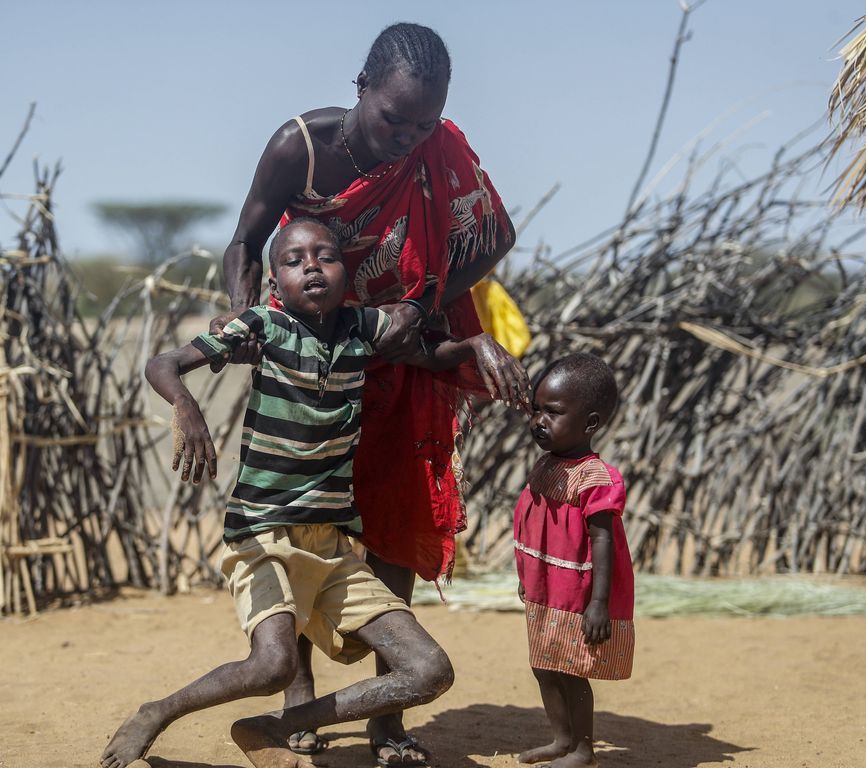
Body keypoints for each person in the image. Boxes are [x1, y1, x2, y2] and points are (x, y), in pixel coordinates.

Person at [214, 22, 529, 764]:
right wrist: (243, 314)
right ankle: (298, 699)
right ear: (362, 88)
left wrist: (424, 305)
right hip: (317, 355)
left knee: (392, 517)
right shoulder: (303, 147)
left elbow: (495, 235)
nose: (409, 137)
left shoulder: (437, 150)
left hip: (407, 352)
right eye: (395, 118)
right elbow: (245, 240)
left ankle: (389, 718)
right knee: (301, 519)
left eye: (425, 122)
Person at [101, 219, 503, 768]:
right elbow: (163, 363)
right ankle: (156, 712)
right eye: (294, 260)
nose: (311, 266)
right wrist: (185, 407)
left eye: (325, 256)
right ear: (275, 281)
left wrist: (477, 343)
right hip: (262, 536)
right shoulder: (263, 326)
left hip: (332, 549)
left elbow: (429, 355)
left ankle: (275, 726)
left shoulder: (364, 329)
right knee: (273, 667)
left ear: (346, 272)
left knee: (429, 671)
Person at [512, 353, 635, 768]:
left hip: (577, 595)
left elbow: (603, 543)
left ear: (591, 423)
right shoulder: (548, 464)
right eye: (535, 409)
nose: (538, 420)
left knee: (571, 669)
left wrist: (598, 602)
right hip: (546, 589)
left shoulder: (595, 479)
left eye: (553, 412)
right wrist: (526, 577)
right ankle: (561, 740)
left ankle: (584, 749)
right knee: (544, 666)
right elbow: (535, 526)